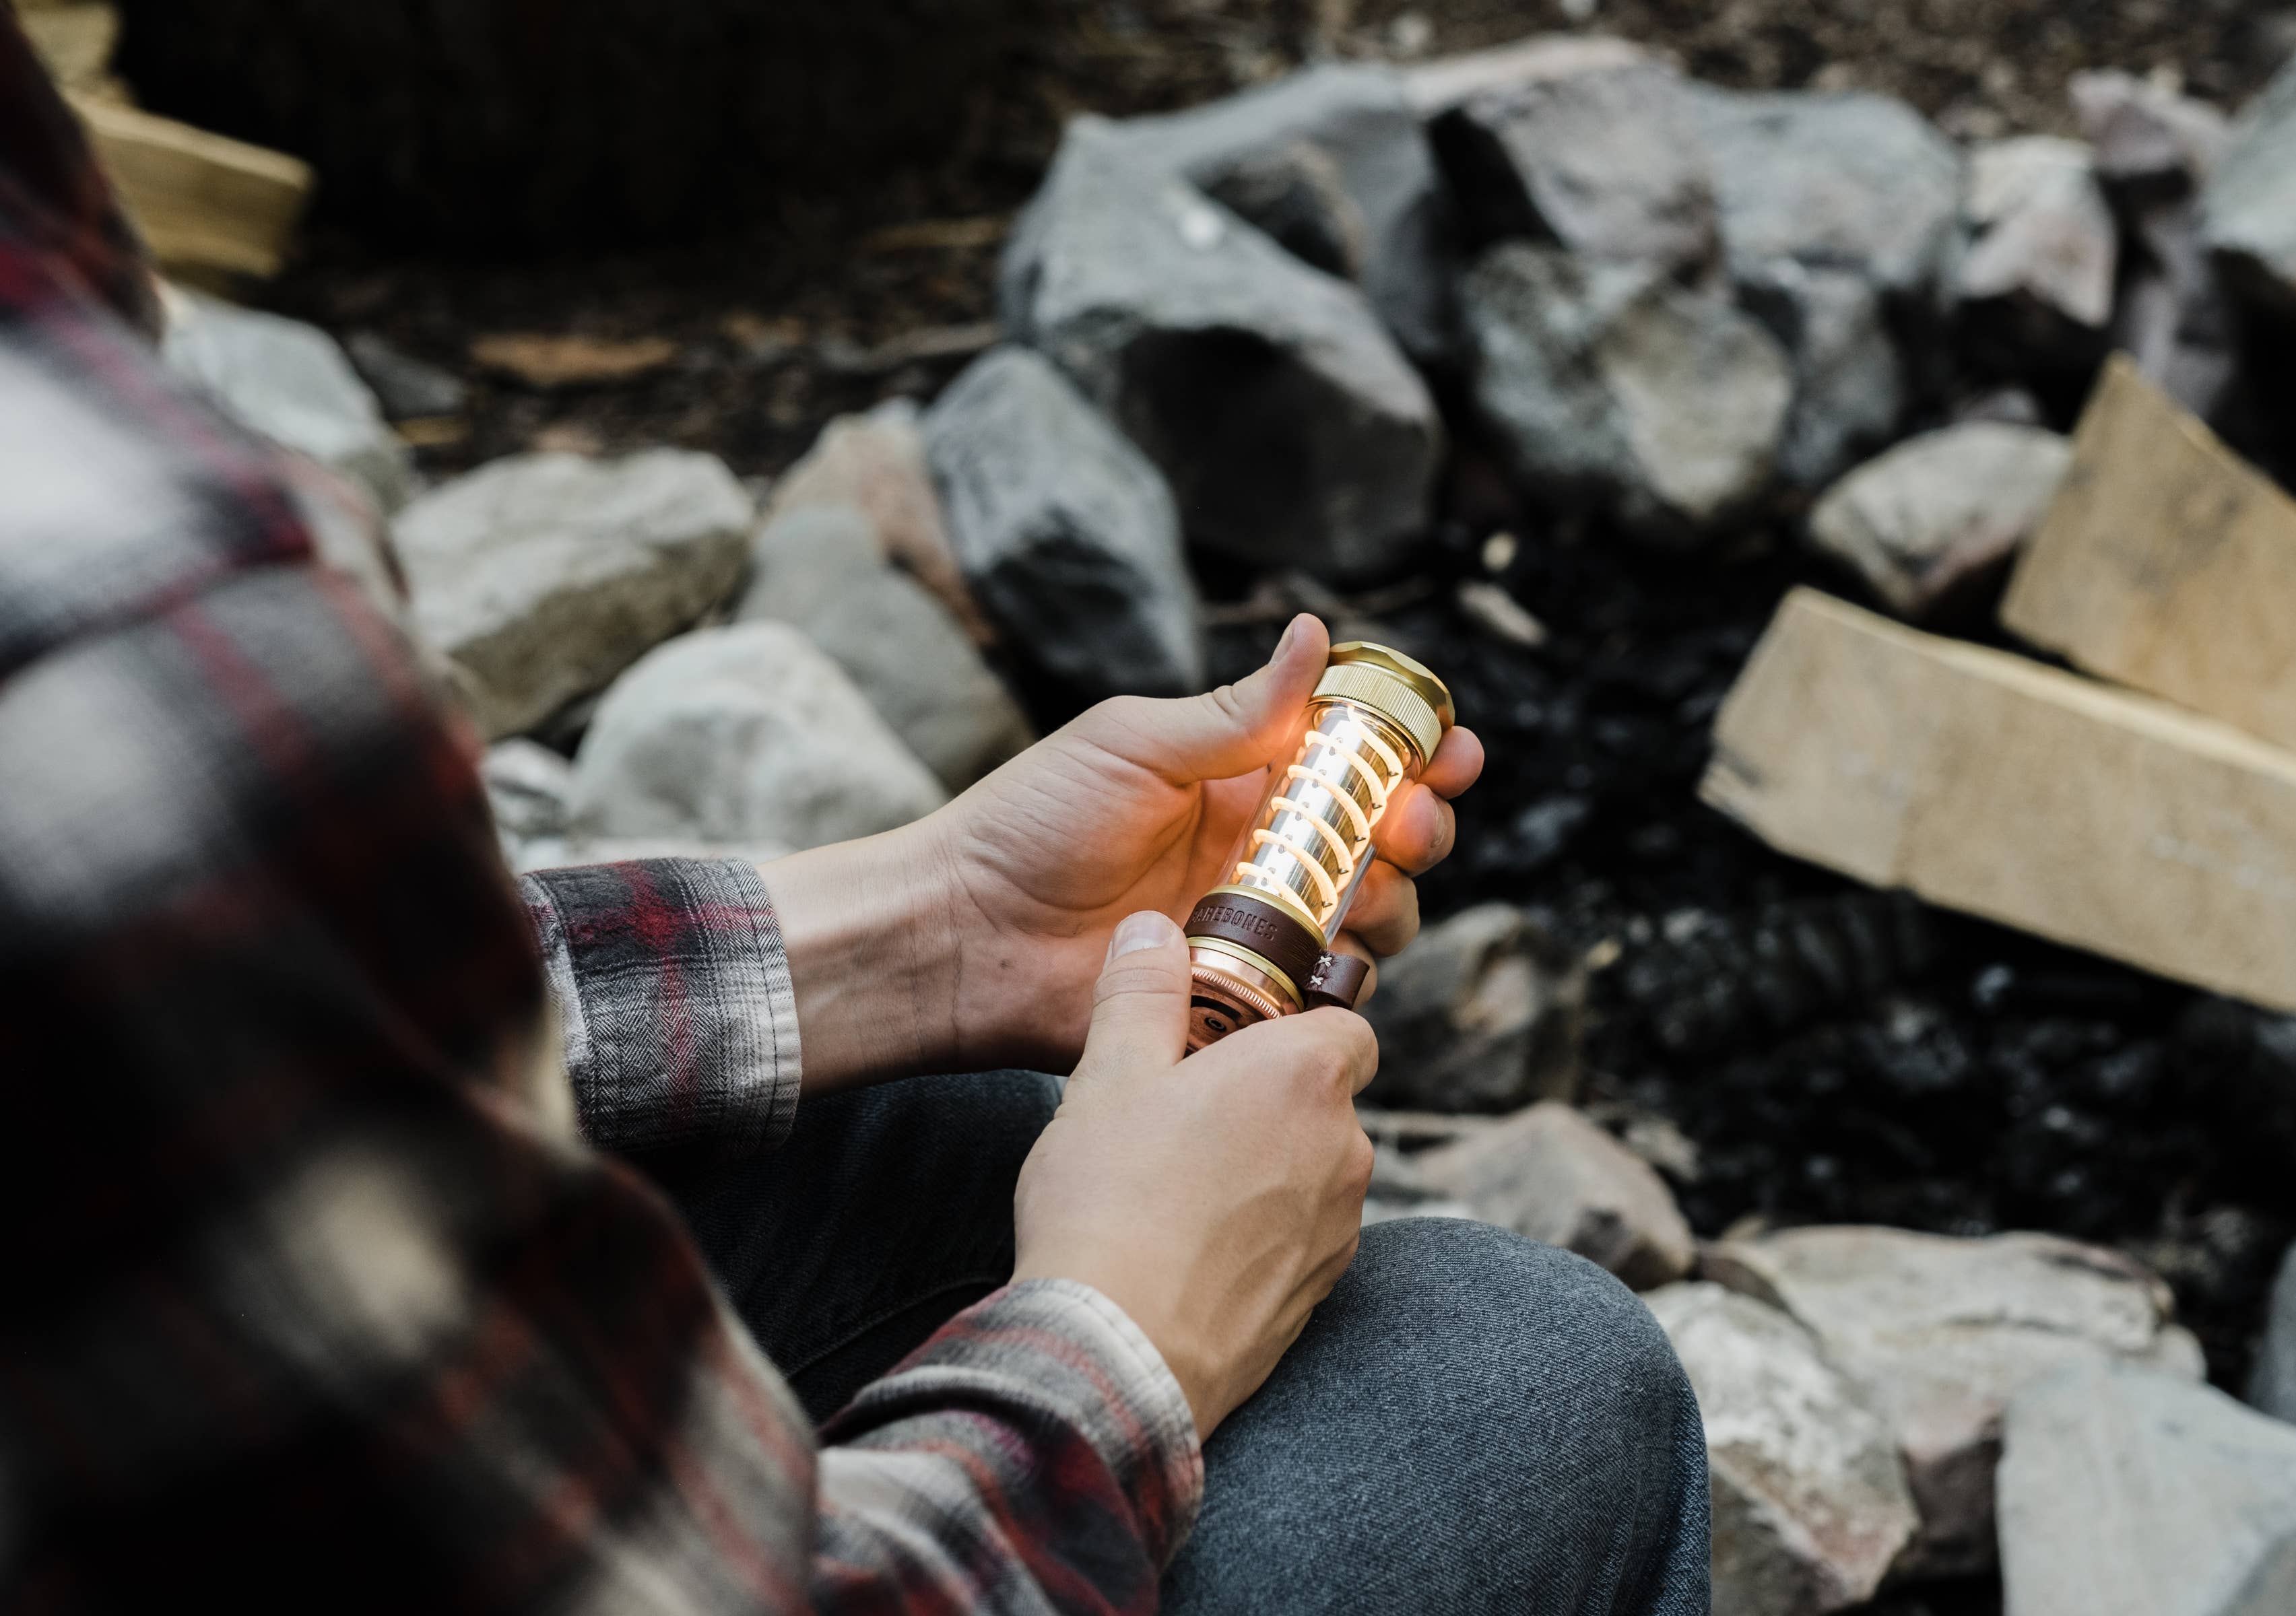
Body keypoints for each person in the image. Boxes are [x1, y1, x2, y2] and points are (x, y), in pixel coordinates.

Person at [0, 15, 1709, 1611]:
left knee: (950, 1119)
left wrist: (920, 928)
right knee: (1526, 1375)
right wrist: (1123, 1344)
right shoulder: (116, 595)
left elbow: (199, 1023)